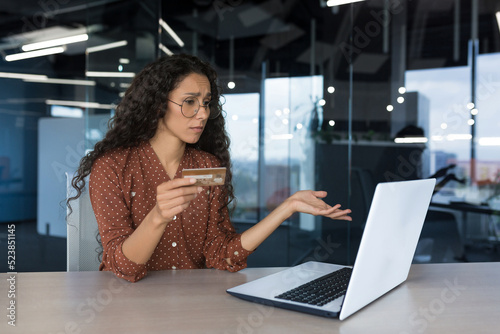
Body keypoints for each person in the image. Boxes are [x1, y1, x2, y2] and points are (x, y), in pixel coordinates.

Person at [68, 54, 351, 282]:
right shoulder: (113, 167)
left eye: (206, 103)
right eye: (189, 102)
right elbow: (124, 268)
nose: (202, 113)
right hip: (127, 306)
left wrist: (286, 208)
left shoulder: (207, 167)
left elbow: (224, 256)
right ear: (156, 105)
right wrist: (158, 216)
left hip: (194, 303)